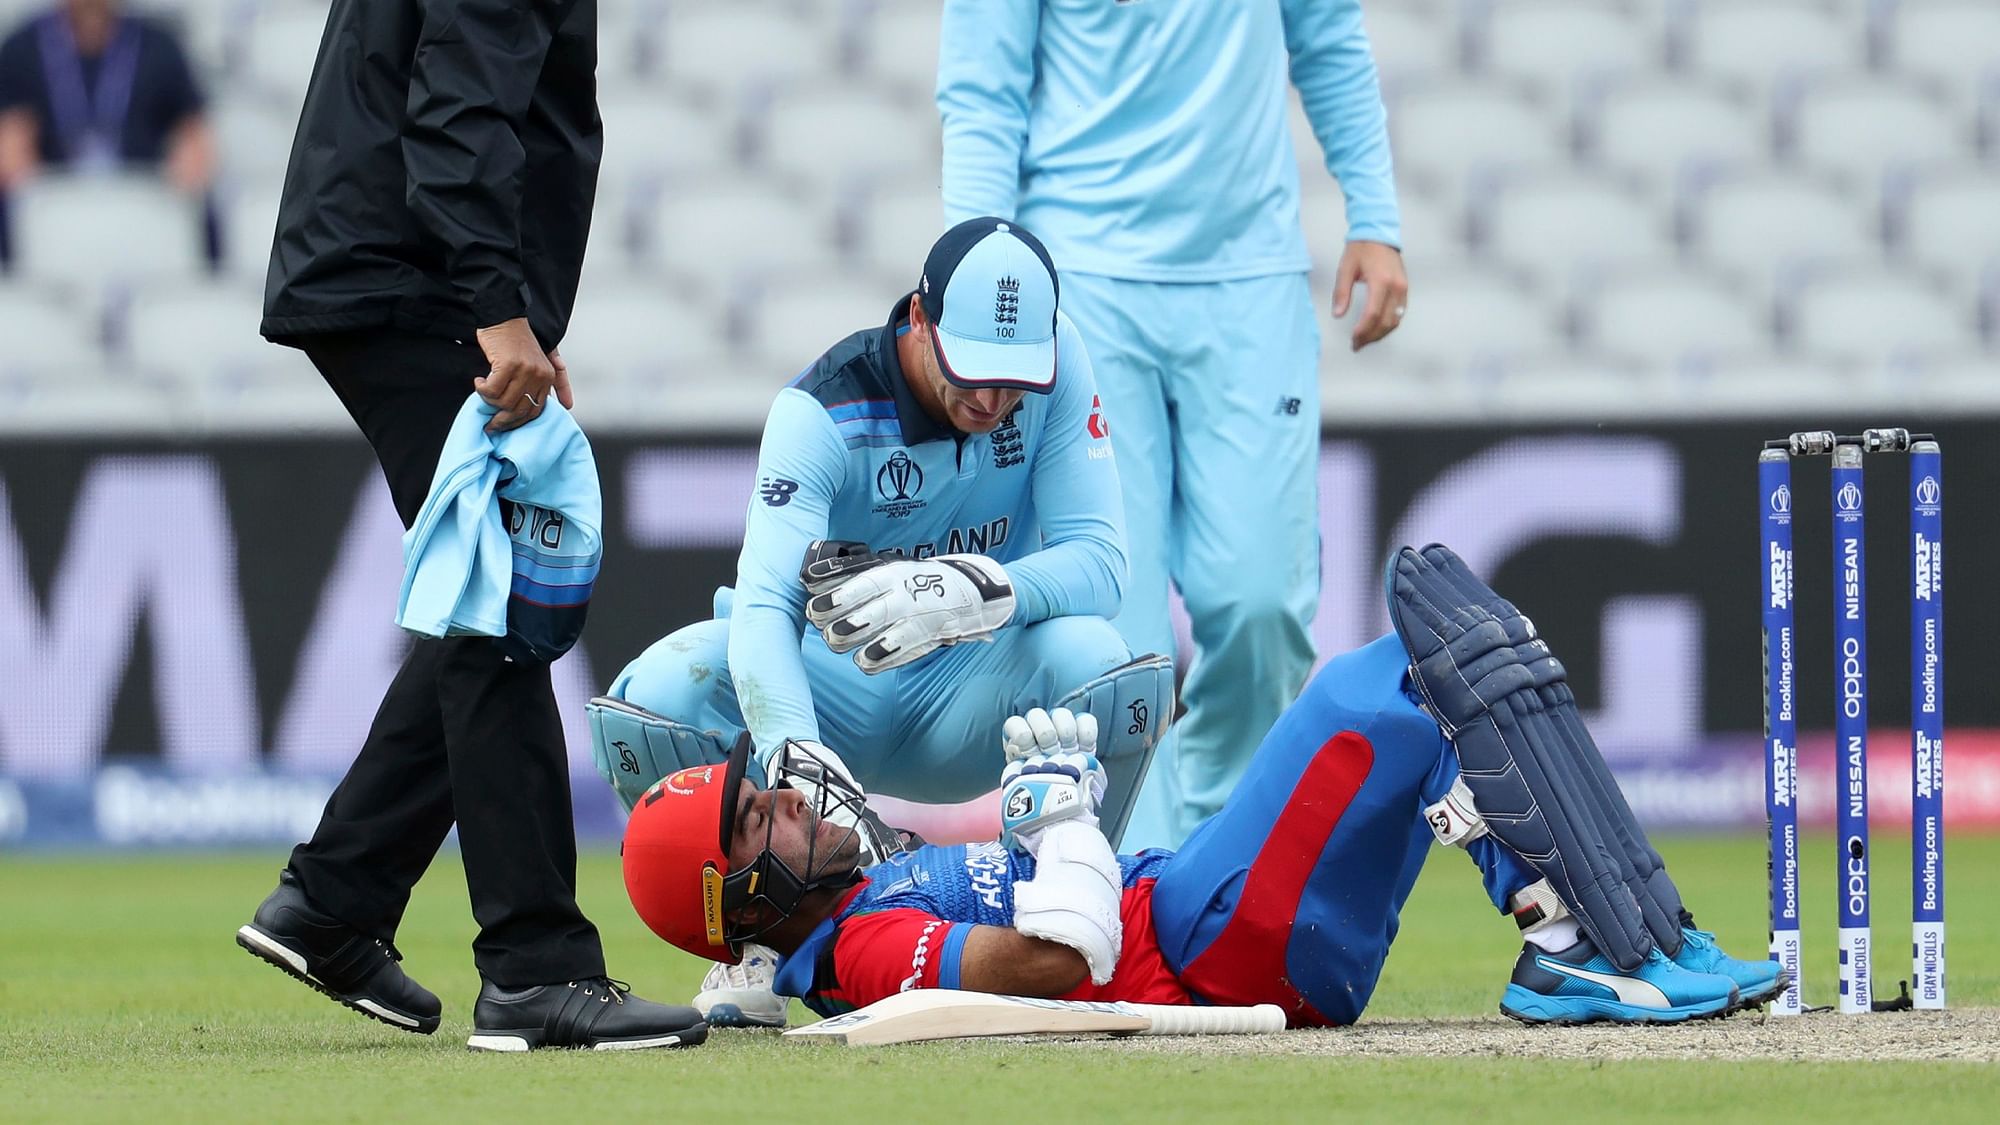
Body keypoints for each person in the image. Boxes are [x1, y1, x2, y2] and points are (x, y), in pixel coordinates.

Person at [622, 545, 1786, 1028]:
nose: (788, 798)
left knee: (1439, 667)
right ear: (742, 896)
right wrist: (1065, 821)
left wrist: (1047, 811)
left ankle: (1603, 936)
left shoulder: (841, 912)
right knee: (1377, 681)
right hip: (1209, 945)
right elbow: (1052, 963)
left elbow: (747, 992)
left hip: (1208, 915)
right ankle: (1592, 951)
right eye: (759, 817)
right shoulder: (860, 951)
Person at [233, 0, 707, 1053]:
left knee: (480, 603)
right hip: (409, 281)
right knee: (501, 599)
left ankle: (336, 900)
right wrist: (496, 308)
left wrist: (517, 313)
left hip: (394, 271)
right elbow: (458, 112)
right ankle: (537, 971)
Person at [589, 216, 1174, 1026]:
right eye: (971, 370)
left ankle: (1067, 918)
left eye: (1014, 381)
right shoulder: (819, 412)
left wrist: (974, 587)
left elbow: (1103, 560)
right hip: (836, 689)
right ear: (921, 321)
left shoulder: (1059, 358)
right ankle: (759, 956)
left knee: (1106, 659)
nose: (992, 400)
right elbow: (763, 605)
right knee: (656, 691)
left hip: (970, 692)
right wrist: (796, 750)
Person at [938, 0, 1414, 850]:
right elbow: (983, 91)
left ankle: (1219, 857)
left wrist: (1375, 216)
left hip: (1251, 282)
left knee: (1262, 604)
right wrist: (975, 281)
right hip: (1082, 285)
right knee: (1119, 642)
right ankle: (1143, 882)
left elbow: (1328, 35)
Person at [0, 0, 214, 264]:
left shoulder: (159, 47)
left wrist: (179, 178)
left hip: (141, 212)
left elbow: (194, 142)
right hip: (58, 211)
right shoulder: (22, 49)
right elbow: (11, 153)